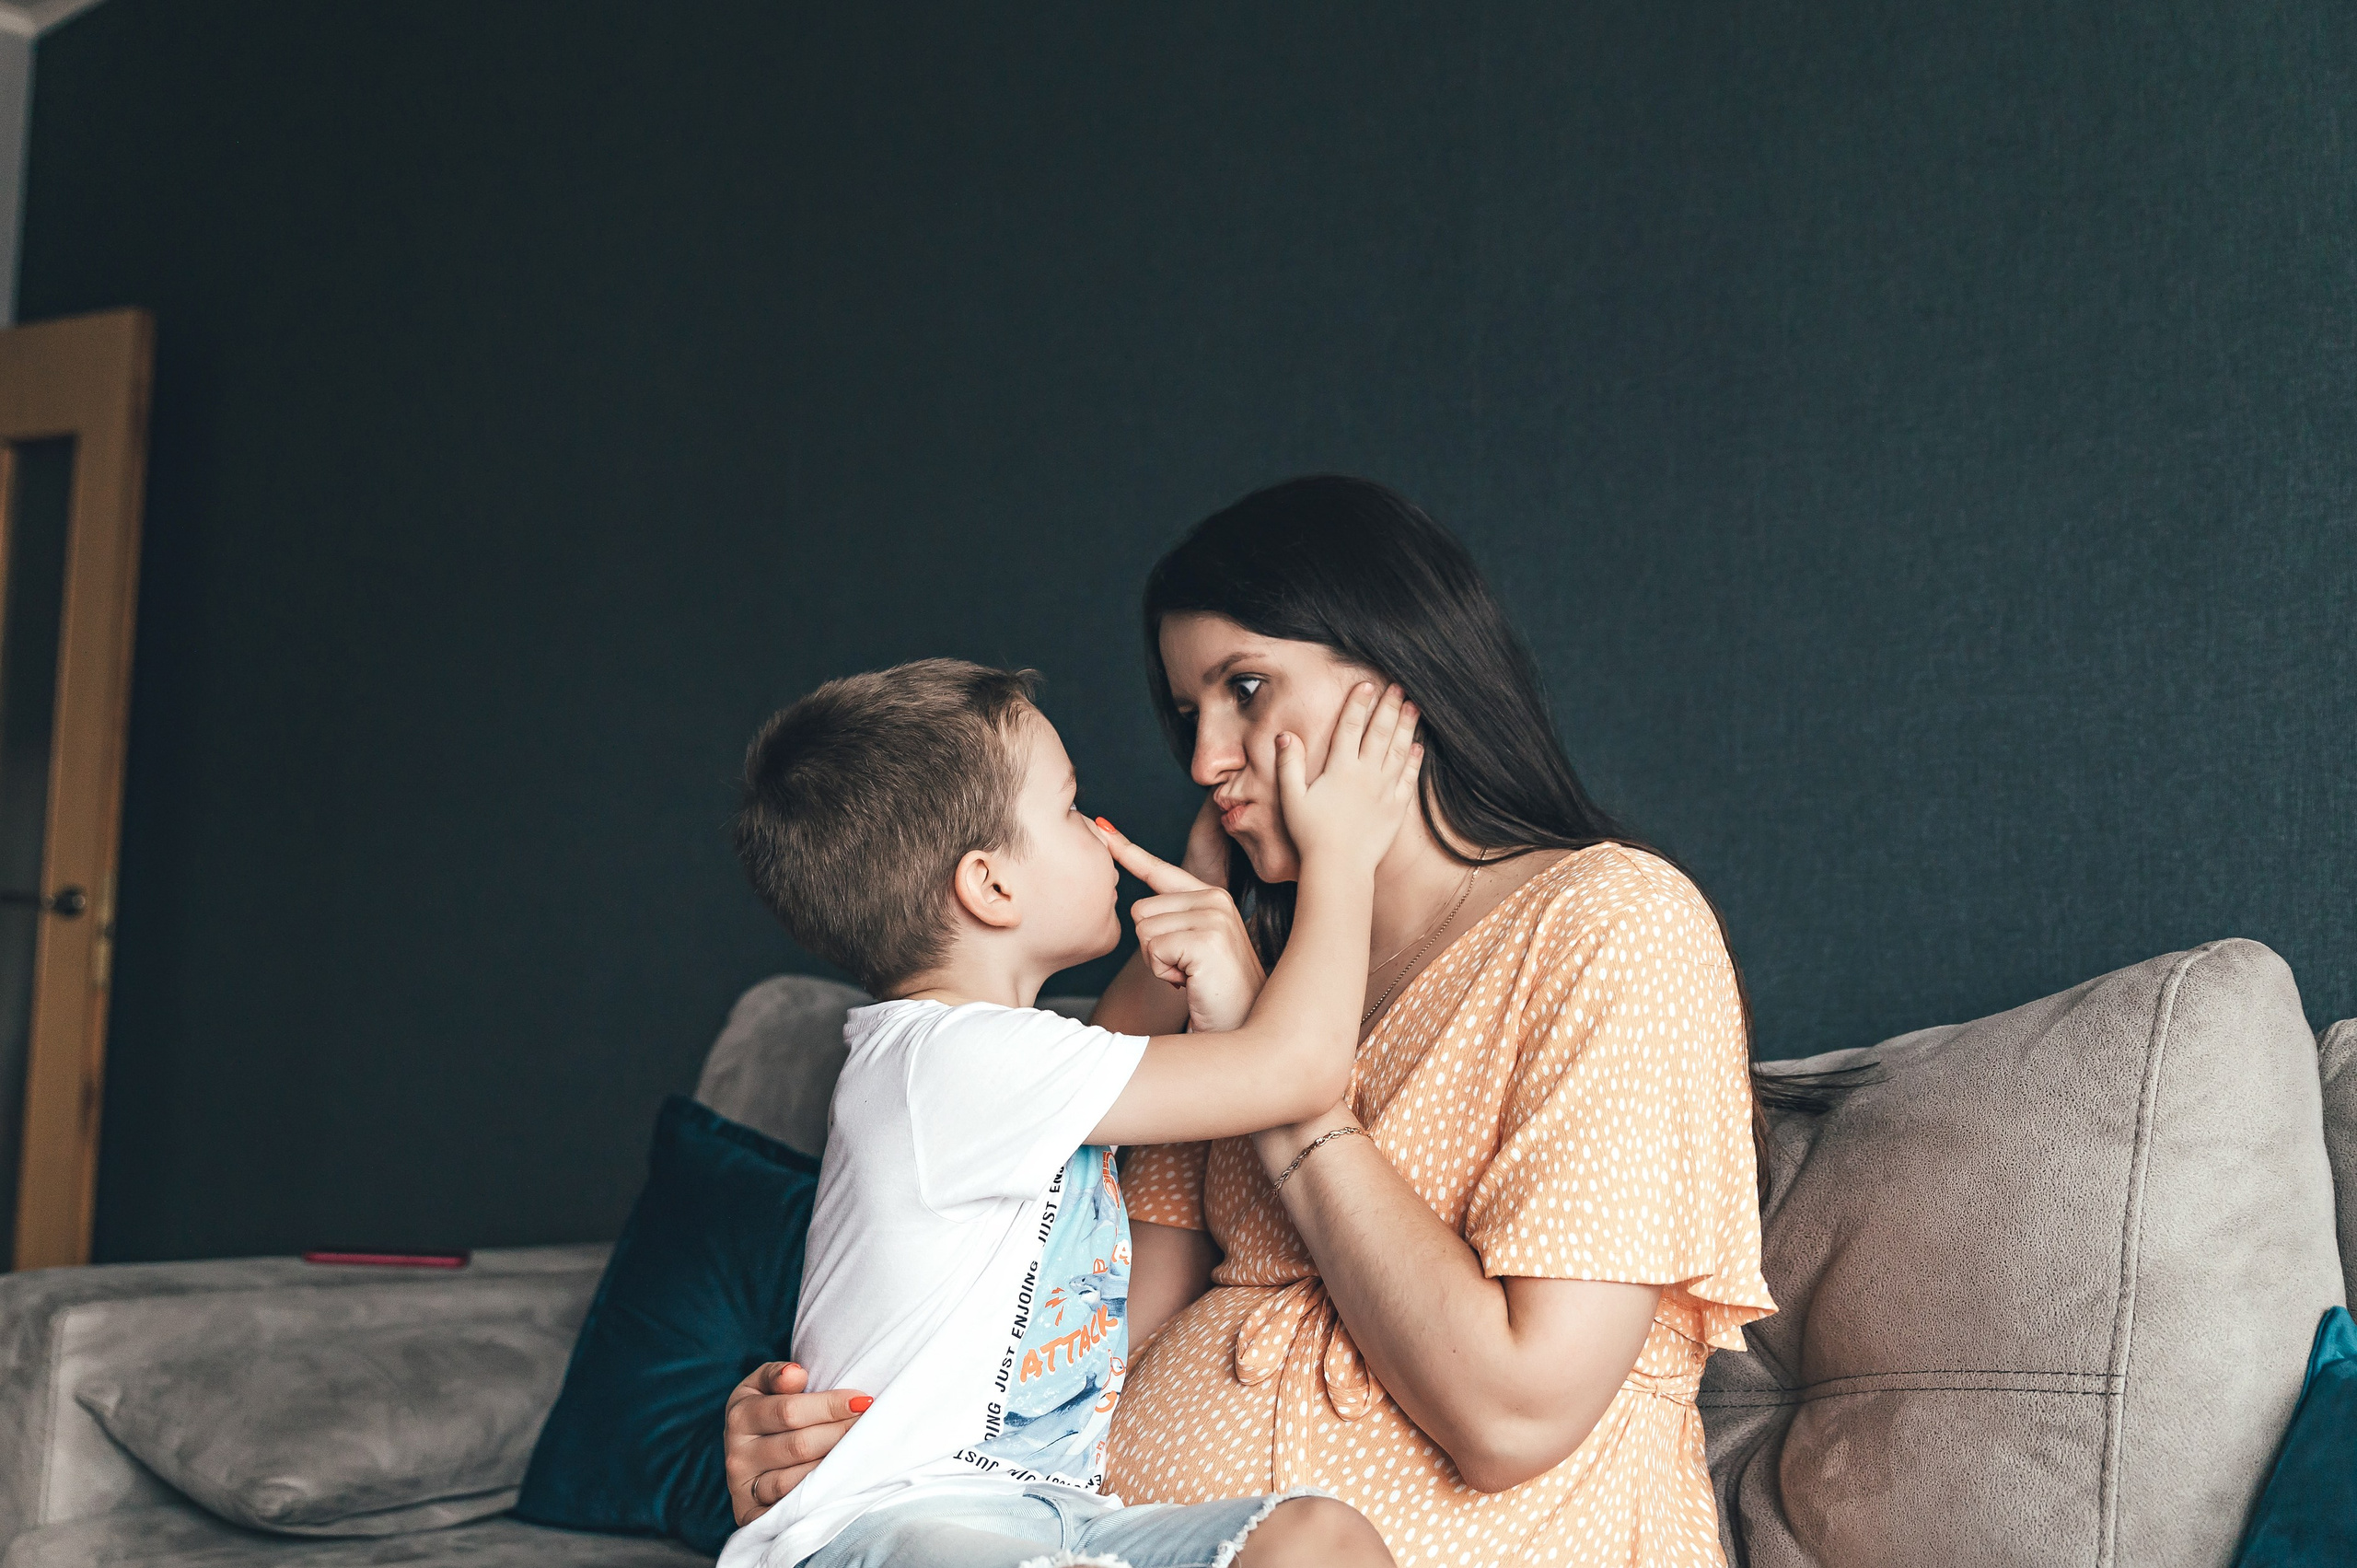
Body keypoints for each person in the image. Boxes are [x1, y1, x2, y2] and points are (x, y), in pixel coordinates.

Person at [726, 478, 1778, 1568]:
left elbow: (1514, 1415)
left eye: (1245, 687)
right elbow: (1085, 1330)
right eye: (1190, 714)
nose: (1204, 760)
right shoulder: (1243, 983)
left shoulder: (1611, 922)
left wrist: (1258, 1030)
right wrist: (848, 1436)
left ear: (1399, 674)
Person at [717, 655, 1420, 1568]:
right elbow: (1295, 1068)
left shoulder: (985, 1059)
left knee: (1315, 1537)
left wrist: (1203, 868)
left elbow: (1123, 1037)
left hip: (1051, 1516)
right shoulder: (944, 1065)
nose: (1098, 828)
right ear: (991, 886)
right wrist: (1341, 851)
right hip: (886, 1525)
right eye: (1069, 806)